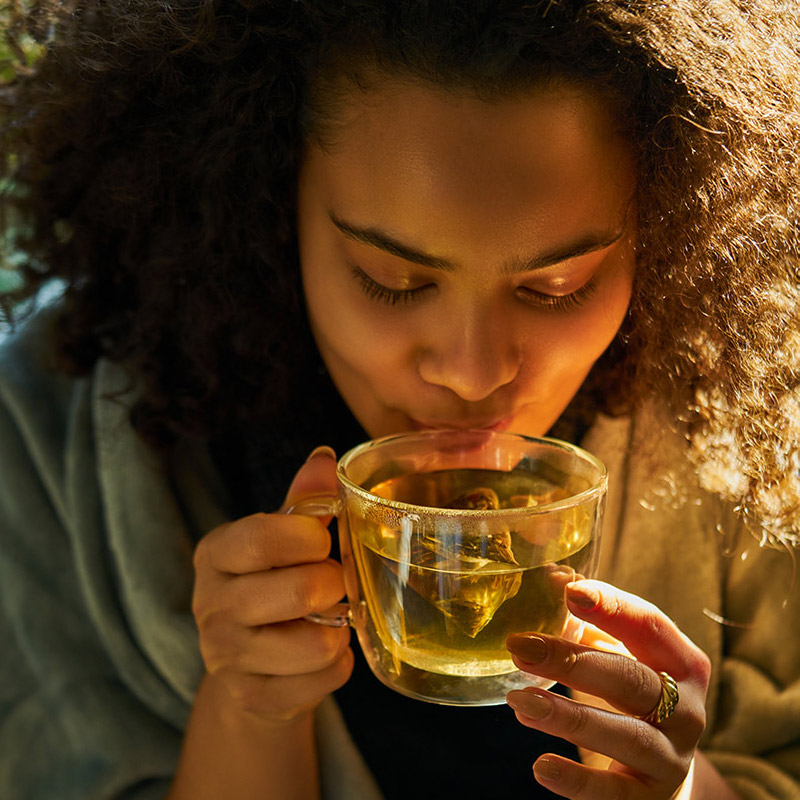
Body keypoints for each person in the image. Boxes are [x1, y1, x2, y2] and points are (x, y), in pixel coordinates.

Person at [1, 1, 799, 798]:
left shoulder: (749, 429)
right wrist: (248, 711)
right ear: (269, 192)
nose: (472, 372)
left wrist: (684, 785)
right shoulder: (47, 433)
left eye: (558, 287)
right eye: (395, 280)